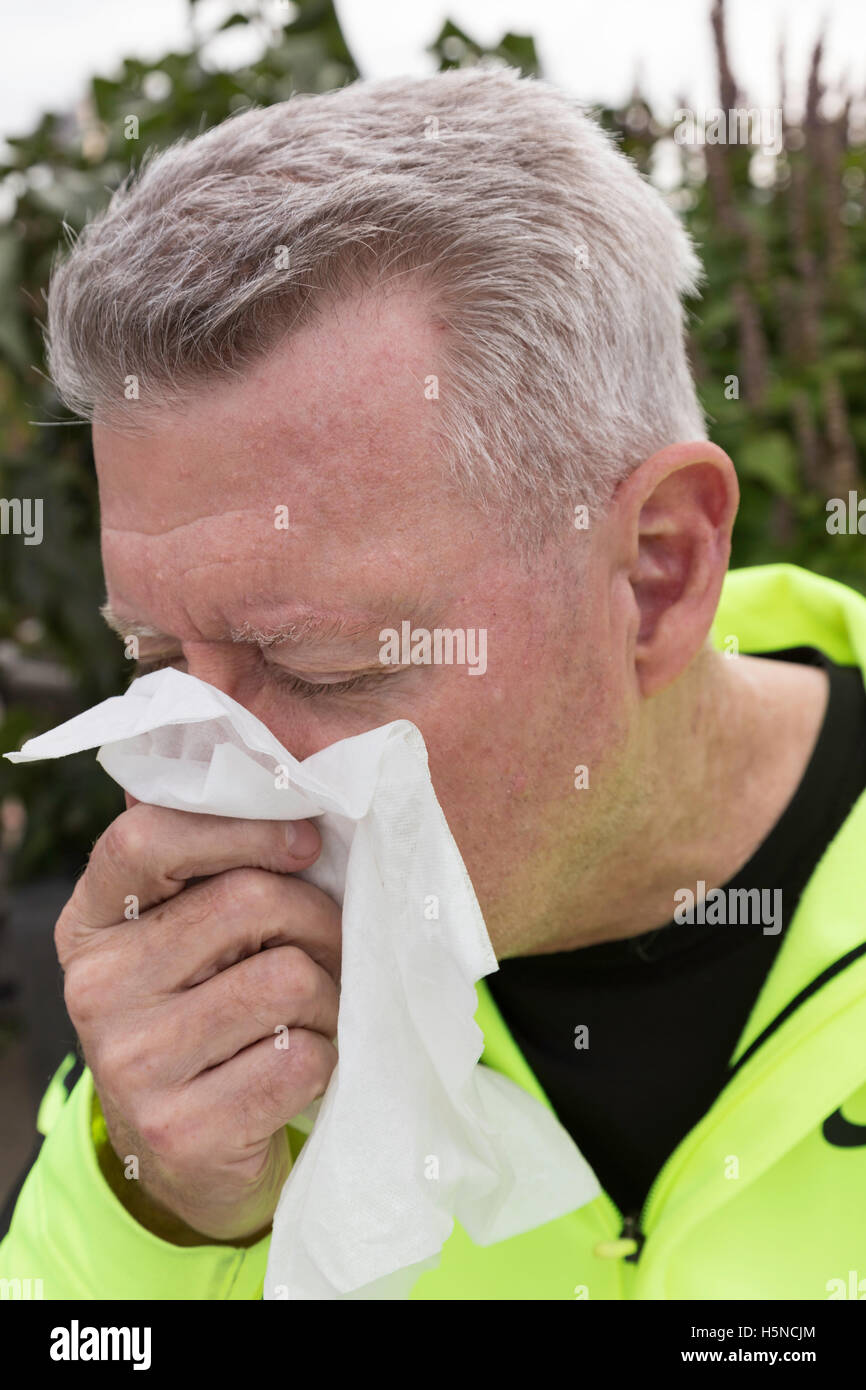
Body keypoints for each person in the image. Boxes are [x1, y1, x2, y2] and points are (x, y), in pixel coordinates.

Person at [1, 66, 864, 1301]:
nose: (221, 783)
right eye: (157, 665)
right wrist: (160, 1208)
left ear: (658, 572)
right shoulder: (211, 994)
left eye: (320, 662)